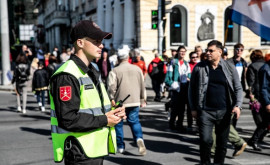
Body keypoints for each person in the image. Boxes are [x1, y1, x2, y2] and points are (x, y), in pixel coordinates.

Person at [49, 20, 126, 165]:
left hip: (93, 150)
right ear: (80, 43)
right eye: (96, 41)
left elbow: (92, 105)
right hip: (80, 152)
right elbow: (68, 119)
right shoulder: (67, 74)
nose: (101, 45)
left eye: (101, 41)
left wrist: (112, 111)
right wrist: (105, 119)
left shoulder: (92, 69)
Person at [189, 40, 242, 164]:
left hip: (225, 111)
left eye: (211, 50)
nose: (207, 53)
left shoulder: (229, 67)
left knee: (222, 144)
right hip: (205, 111)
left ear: (219, 51)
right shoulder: (200, 67)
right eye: (207, 50)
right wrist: (193, 108)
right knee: (205, 141)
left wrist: (238, 105)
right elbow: (191, 89)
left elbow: (238, 88)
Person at [107, 46, 147, 155]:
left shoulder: (115, 70)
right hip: (134, 100)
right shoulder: (137, 69)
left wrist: (111, 98)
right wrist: (143, 99)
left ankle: (120, 146)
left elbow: (111, 87)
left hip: (120, 102)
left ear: (118, 58)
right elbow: (142, 85)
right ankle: (139, 138)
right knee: (134, 121)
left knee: (118, 124)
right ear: (128, 57)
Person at [165, 46, 191, 131]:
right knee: (175, 108)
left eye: (184, 51)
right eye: (181, 51)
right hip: (176, 89)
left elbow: (189, 75)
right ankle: (172, 125)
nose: (183, 53)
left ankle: (180, 125)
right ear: (178, 52)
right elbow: (168, 78)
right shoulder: (173, 62)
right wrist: (174, 85)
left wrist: (188, 79)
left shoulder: (186, 64)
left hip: (184, 88)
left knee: (182, 109)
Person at [247, 53, 270, 151]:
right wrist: (267, 103)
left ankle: (253, 140)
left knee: (265, 122)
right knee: (265, 122)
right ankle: (254, 140)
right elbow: (263, 88)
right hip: (268, 99)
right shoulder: (266, 69)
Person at [227, 43, 248, 128]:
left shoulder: (243, 62)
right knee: (230, 106)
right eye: (237, 49)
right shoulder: (228, 62)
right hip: (230, 86)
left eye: (241, 50)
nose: (239, 51)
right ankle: (229, 126)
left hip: (239, 87)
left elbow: (245, 76)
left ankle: (233, 126)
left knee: (238, 106)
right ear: (234, 50)